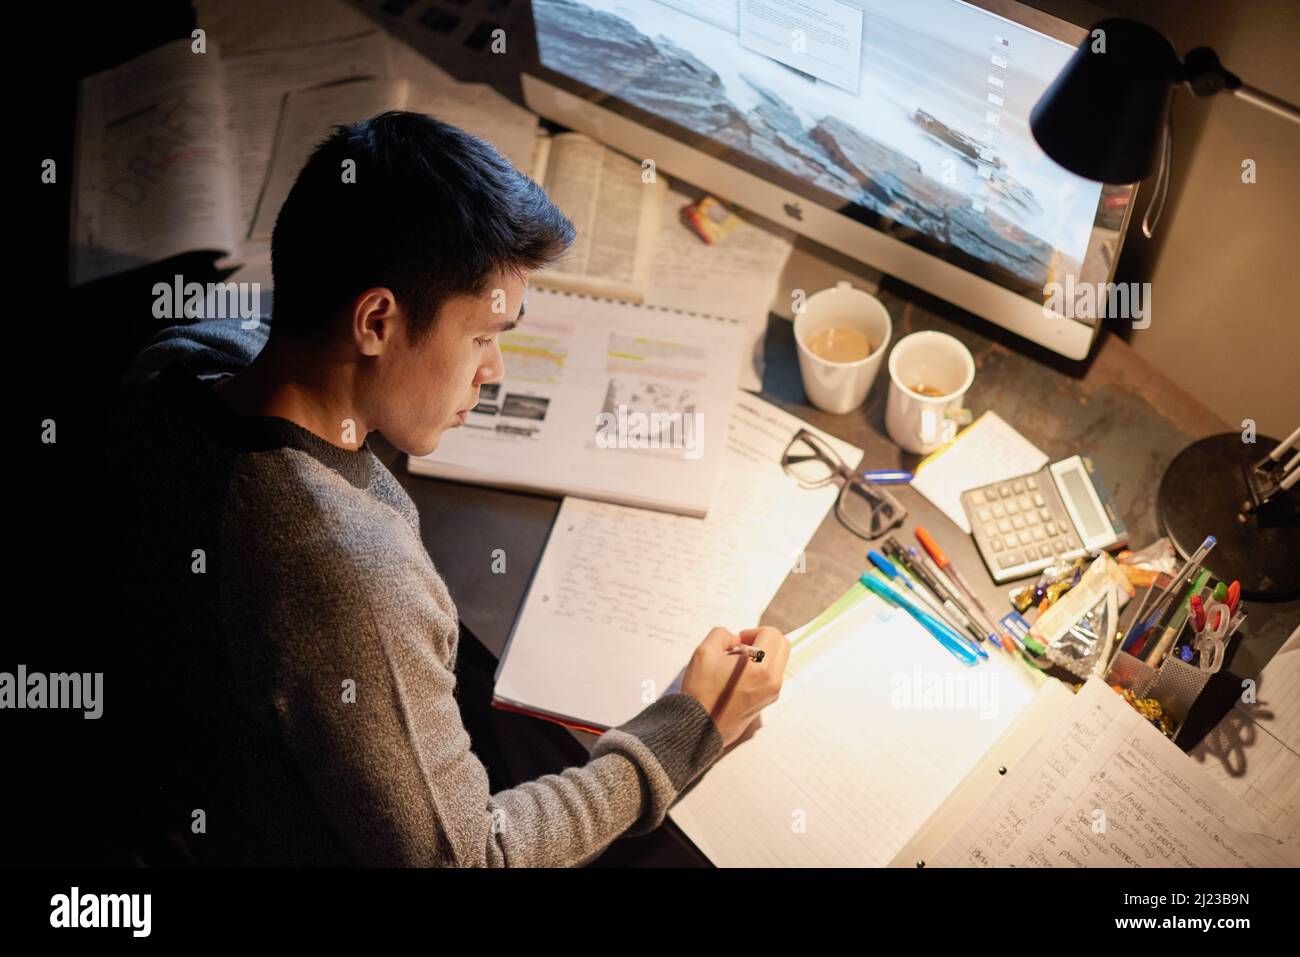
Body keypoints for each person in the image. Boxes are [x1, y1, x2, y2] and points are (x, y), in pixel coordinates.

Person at [111, 111, 789, 866]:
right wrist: (690, 727)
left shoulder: (185, 355)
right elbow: (466, 855)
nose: (492, 370)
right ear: (375, 320)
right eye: (481, 337)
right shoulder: (350, 576)